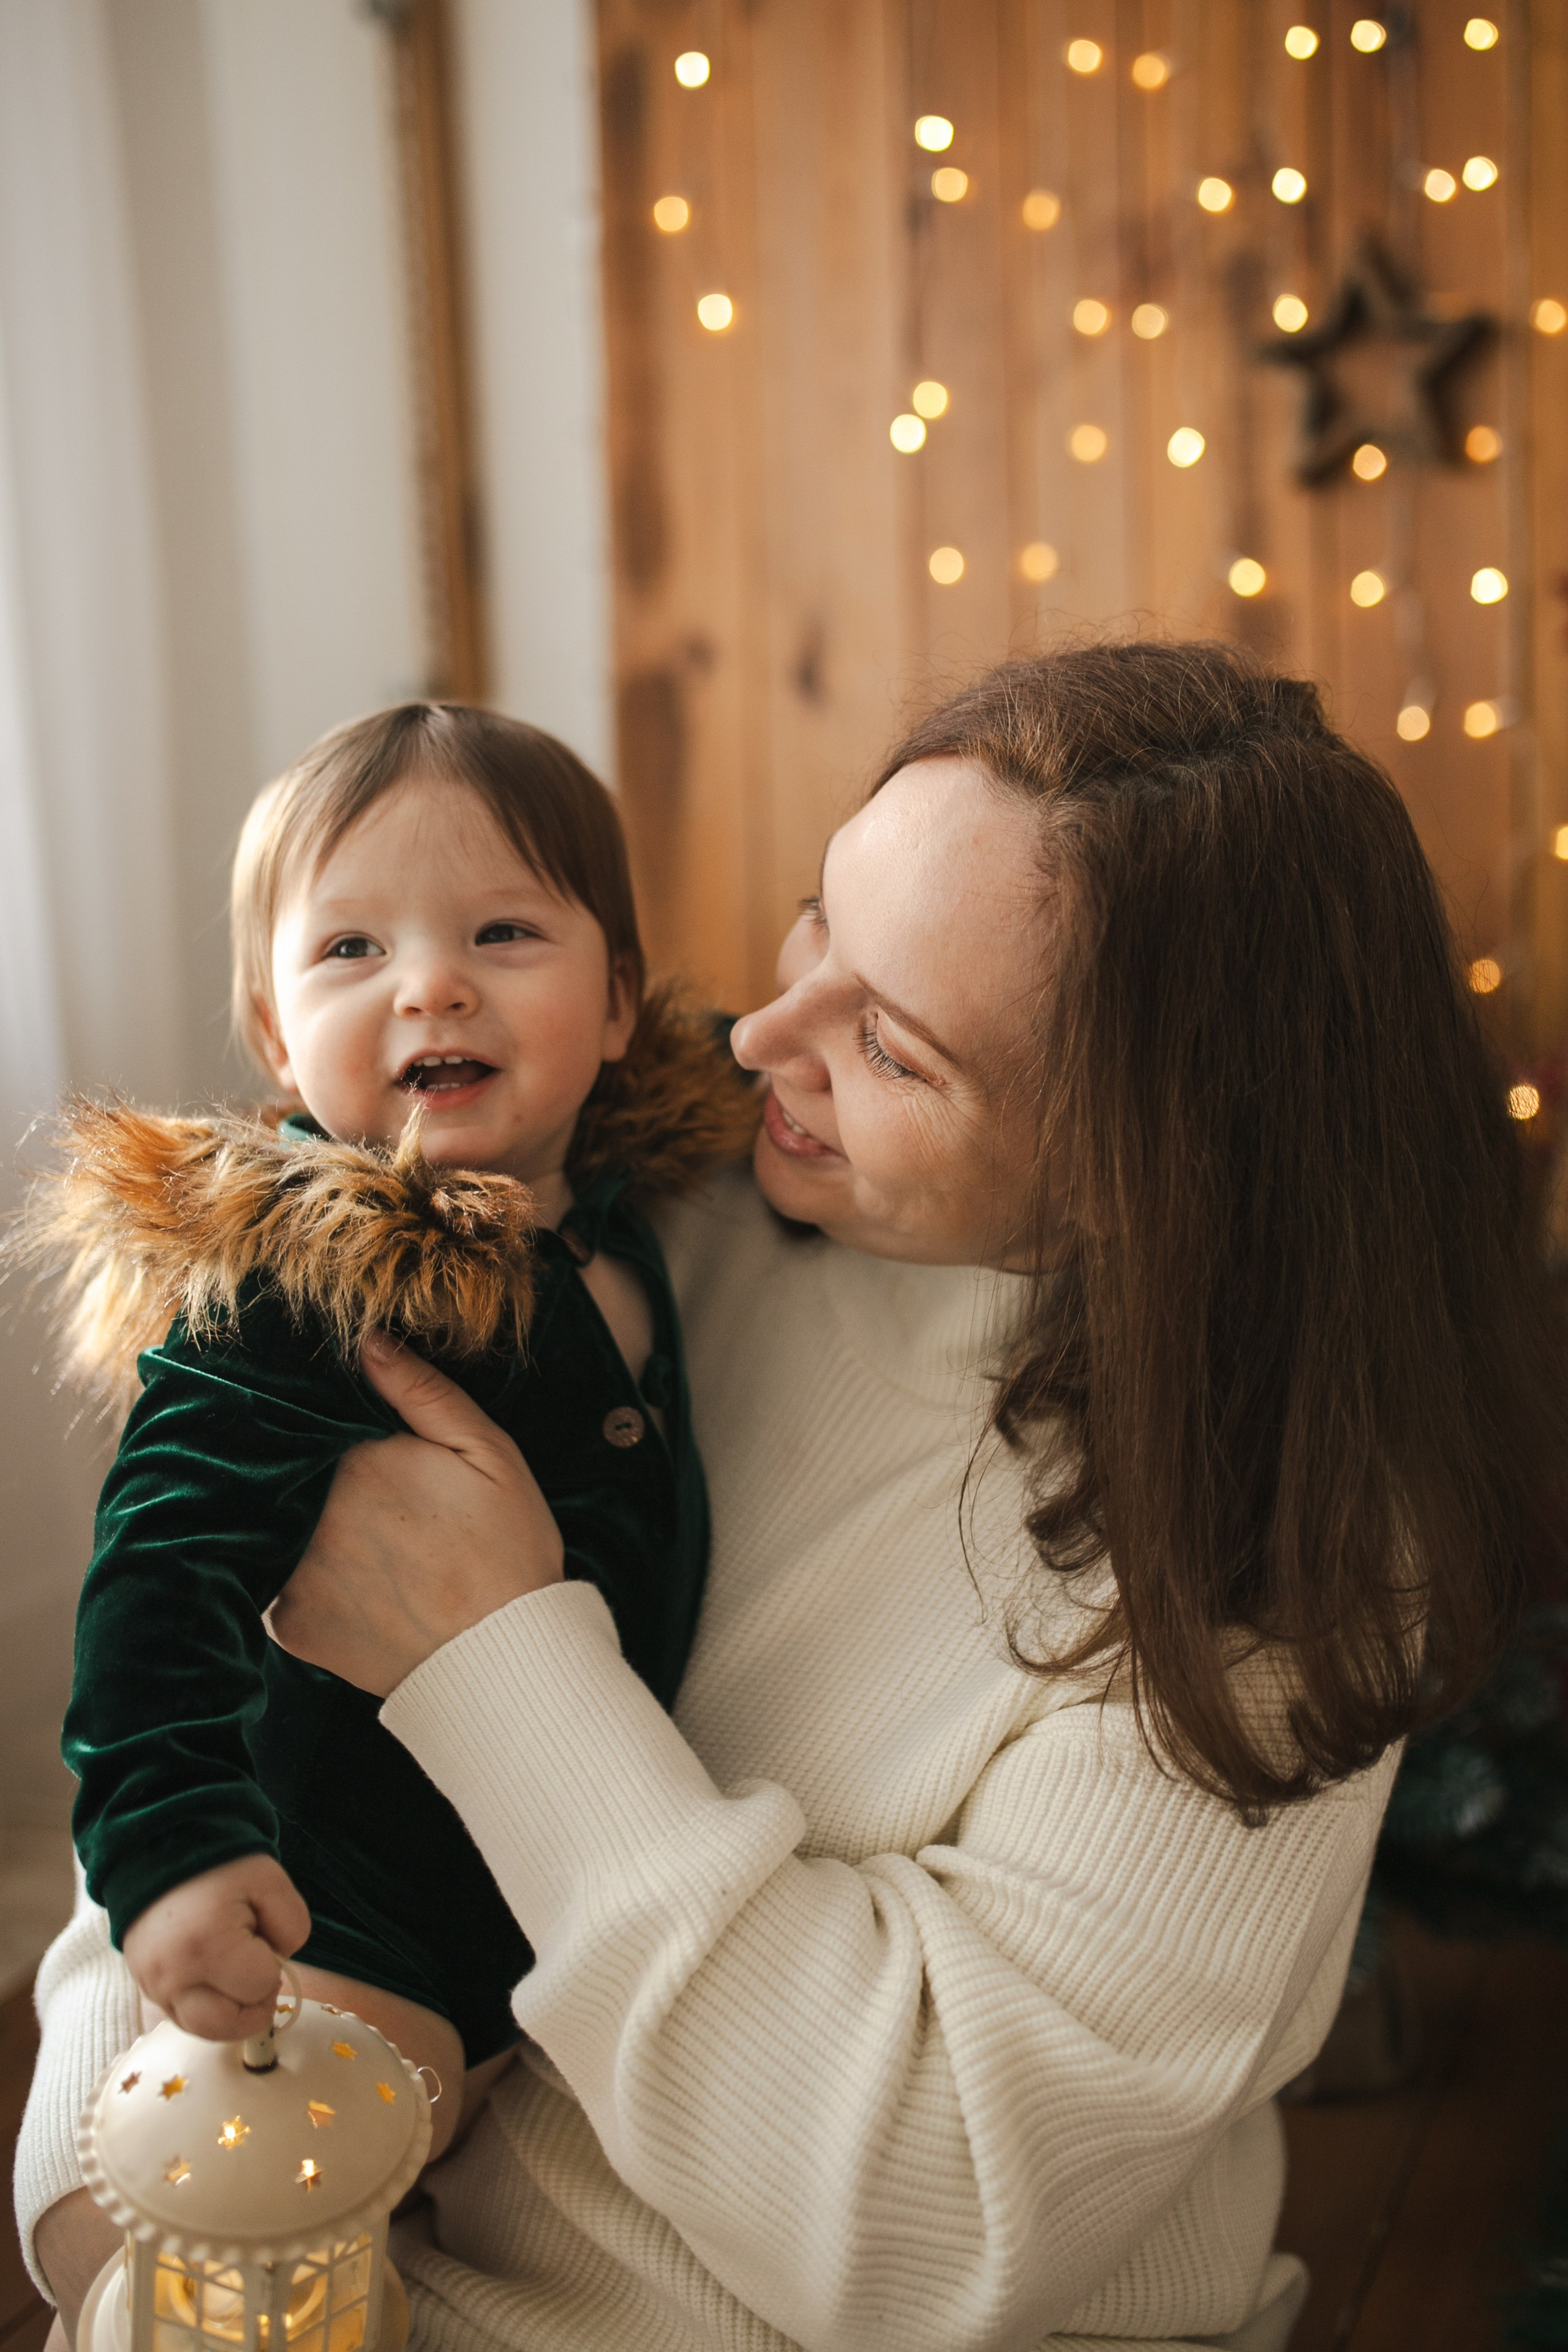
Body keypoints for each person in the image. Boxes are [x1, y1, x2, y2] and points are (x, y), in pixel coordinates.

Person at [19, 643, 1561, 2352]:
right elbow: (206, 1718)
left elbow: (935, 2233)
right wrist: (131, 2216)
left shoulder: (1273, 1549)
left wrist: (500, 1660)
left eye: (893, 1050)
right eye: (817, 920)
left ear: (1150, 1160)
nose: (759, 1037)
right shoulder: (612, 1207)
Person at [13, 701, 756, 2151]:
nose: (430, 988)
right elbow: (161, 1574)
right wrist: (172, 1853)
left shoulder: (615, 1206)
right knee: (250, 2203)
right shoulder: (299, 1287)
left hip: (552, 1901)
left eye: (502, 936)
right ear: (274, 1036)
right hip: (346, 1914)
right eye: (352, 949)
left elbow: (751, 1060)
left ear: (616, 1007)